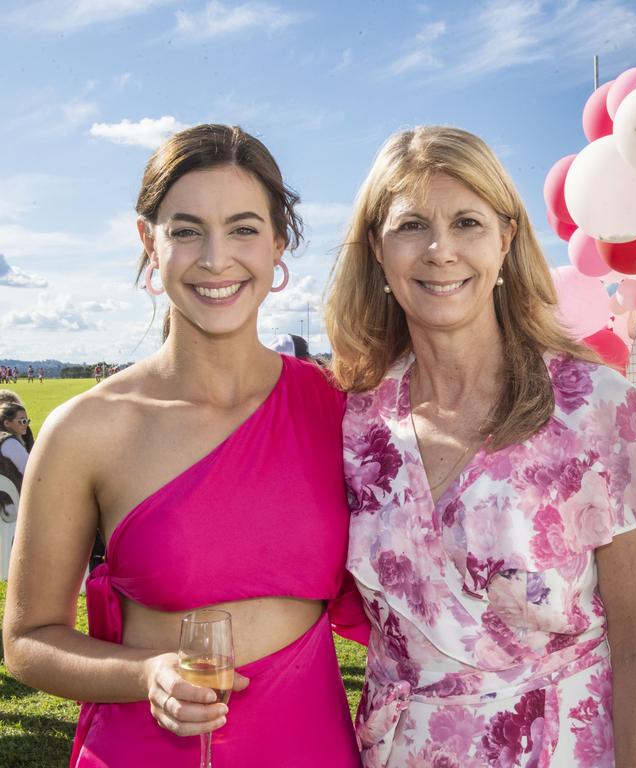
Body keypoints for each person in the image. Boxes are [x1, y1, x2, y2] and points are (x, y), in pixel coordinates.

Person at [326, 125, 636, 767]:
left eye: (468, 223)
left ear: (506, 240)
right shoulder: (355, 424)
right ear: (377, 248)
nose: (440, 250)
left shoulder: (599, 410)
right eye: (412, 224)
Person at [3, 124, 366, 768]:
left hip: (310, 747)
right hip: (149, 753)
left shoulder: (337, 409)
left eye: (245, 228)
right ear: (150, 242)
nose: (215, 257)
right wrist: (147, 675)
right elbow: (29, 640)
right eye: (186, 229)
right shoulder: (86, 431)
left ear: (279, 243)